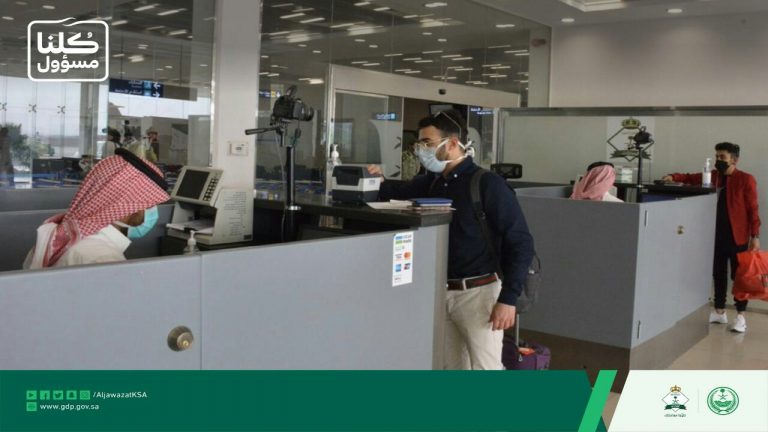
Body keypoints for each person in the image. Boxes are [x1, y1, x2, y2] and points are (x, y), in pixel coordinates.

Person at [368, 110, 535, 370]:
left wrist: (508, 299)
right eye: (419, 144)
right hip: (441, 292)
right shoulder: (432, 183)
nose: (421, 150)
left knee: (486, 369)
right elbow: (395, 191)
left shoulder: (487, 184)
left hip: (479, 294)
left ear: (453, 143)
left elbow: (520, 241)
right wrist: (376, 179)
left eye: (428, 143)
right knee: (449, 369)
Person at [661, 142, 760, 333]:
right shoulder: (713, 176)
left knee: (739, 277)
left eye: (722, 157)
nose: (718, 160)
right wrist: (673, 176)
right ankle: (719, 311)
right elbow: (690, 178)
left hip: (737, 237)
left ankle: (741, 316)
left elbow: (753, 210)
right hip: (714, 235)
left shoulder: (746, 179)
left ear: (734, 159)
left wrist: (755, 236)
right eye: (716, 156)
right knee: (718, 273)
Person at [23, 148, 169, 269]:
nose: (153, 211)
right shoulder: (103, 258)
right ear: (132, 207)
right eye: (150, 205)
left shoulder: (57, 233)